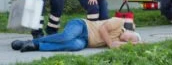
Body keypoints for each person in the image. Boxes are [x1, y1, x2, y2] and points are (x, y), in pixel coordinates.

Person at [11, 17, 142, 52]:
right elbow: (103, 29)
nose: (127, 40)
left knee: (75, 46)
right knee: (67, 36)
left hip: (85, 41)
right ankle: (31, 42)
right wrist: (110, 44)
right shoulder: (119, 22)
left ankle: (37, 47)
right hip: (82, 26)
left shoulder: (119, 41)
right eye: (130, 37)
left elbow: (117, 45)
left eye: (129, 41)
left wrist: (137, 43)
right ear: (129, 31)